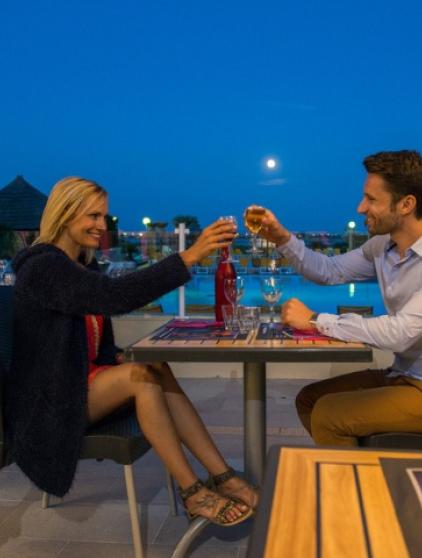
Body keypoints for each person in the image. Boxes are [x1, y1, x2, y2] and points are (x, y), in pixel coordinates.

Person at [5, 176, 258, 526]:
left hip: (78, 382)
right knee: (141, 377)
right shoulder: (43, 268)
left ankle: (223, 476)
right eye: (92, 216)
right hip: (48, 403)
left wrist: (117, 357)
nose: (101, 225)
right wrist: (189, 256)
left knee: (155, 366)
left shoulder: (81, 266)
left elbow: (93, 342)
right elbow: (116, 296)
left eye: (103, 217)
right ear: (64, 214)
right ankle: (193, 493)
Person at [257, 150, 422, 446]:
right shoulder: (383, 247)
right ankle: (367, 474)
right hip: (403, 374)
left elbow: (401, 333)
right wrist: (283, 238)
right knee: (310, 399)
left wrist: (315, 320)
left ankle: (353, 487)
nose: (360, 208)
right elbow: (329, 270)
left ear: (407, 204)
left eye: (372, 199)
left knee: (329, 415)